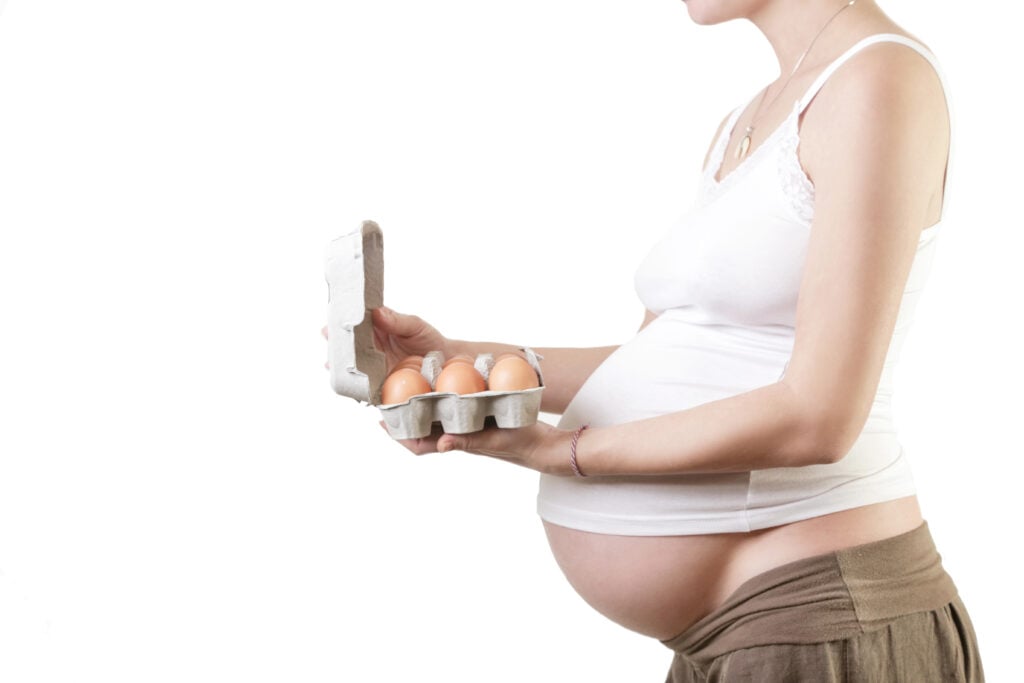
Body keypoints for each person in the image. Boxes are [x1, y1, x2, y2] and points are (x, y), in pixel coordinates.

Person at [340, 0, 984, 679]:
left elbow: (819, 415)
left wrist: (566, 452)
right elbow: (664, 359)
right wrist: (463, 358)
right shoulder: (748, 120)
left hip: (820, 619)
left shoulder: (879, 81)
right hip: (727, 639)